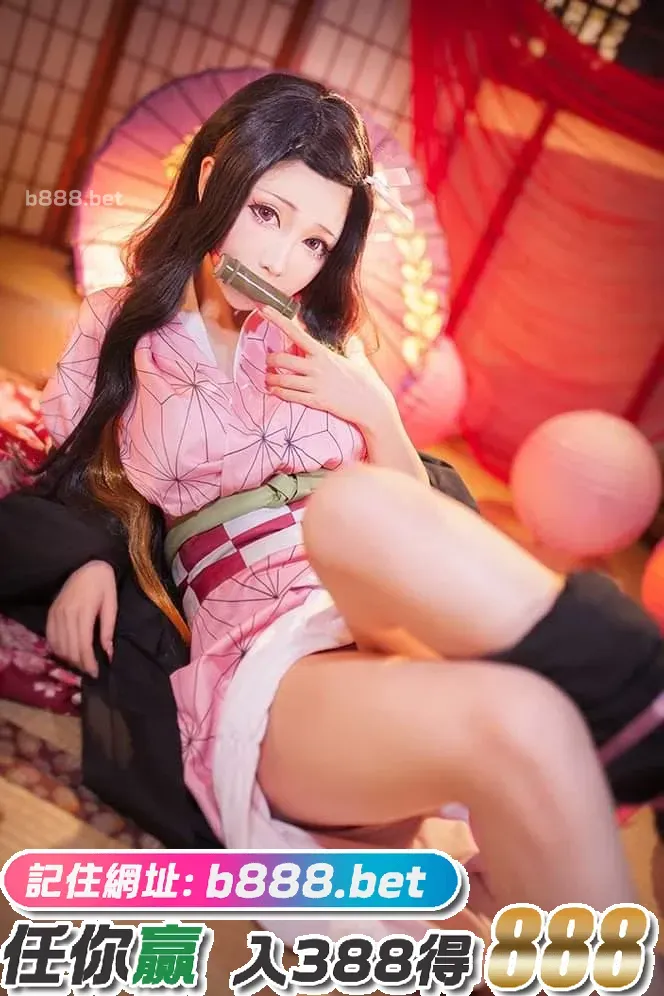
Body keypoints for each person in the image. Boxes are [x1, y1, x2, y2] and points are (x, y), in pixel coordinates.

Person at [9, 72, 663, 946]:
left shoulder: (328, 347)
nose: (285, 260)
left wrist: (373, 408)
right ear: (213, 181)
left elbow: (428, 527)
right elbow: (67, 467)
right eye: (267, 214)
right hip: (267, 646)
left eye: (315, 240)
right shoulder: (116, 322)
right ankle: (627, 702)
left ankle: (633, 696)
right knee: (523, 713)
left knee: (360, 509)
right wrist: (90, 557)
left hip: (377, 596)